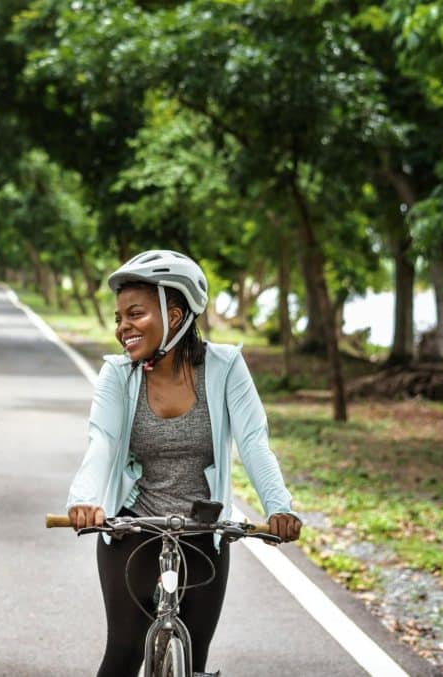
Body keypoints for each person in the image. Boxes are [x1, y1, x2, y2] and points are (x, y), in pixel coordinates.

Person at [65, 249, 302, 677]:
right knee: (122, 651)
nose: (123, 328)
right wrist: (84, 500)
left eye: (135, 314)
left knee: (196, 663)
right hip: (133, 527)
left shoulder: (226, 367)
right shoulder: (118, 375)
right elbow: (101, 441)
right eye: (119, 318)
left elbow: (252, 441)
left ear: (174, 316)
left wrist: (279, 507)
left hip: (204, 529)